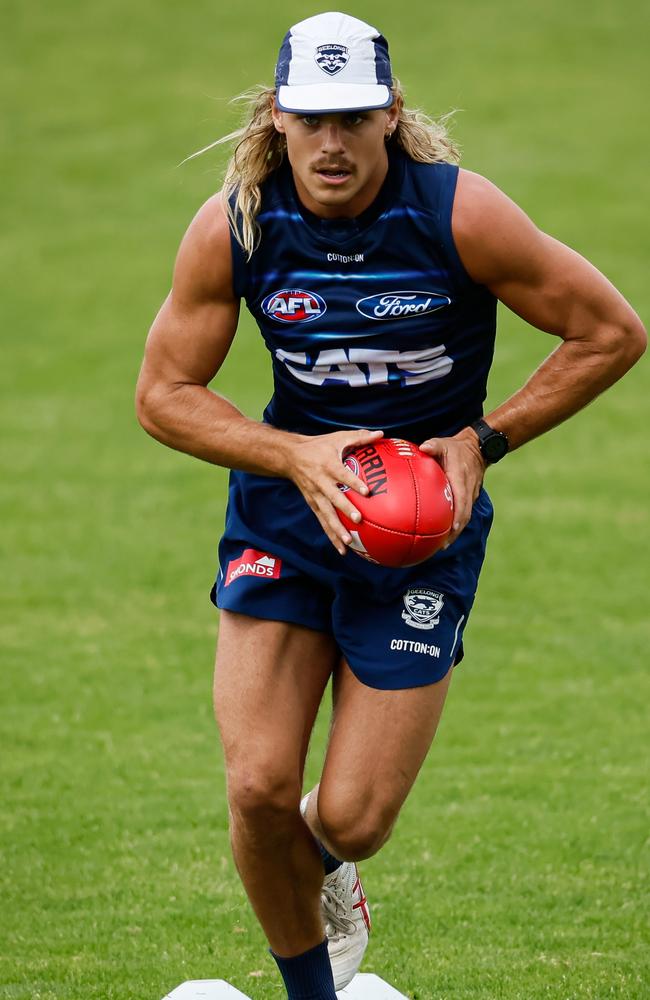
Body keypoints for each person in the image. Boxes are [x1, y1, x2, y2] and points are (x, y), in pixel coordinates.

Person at [136, 11, 645, 999]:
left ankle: (331, 881)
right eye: (312, 118)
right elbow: (161, 395)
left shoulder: (459, 214)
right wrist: (292, 454)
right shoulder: (236, 223)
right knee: (257, 787)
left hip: (422, 532)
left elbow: (607, 331)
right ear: (277, 116)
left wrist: (479, 441)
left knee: (354, 819)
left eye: (354, 118)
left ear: (390, 115)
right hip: (288, 518)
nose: (332, 142)